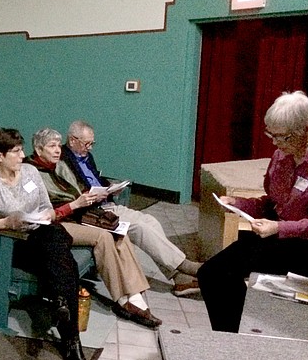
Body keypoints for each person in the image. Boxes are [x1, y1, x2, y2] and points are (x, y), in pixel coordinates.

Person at [0, 128, 89, 360]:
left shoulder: (30, 172)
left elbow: (48, 207)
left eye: (21, 150)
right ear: (0, 156)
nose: (23, 155)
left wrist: (46, 215)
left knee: (56, 237)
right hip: (15, 243)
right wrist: (5, 223)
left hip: (42, 234)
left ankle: (64, 313)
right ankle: (69, 336)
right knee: (65, 260)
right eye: (17, 151)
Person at [198, 91, 308, 333]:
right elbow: (271, 203)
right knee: (212, 274)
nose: (276, 144)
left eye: (283, 137)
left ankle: (234, 334)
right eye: (271, 135)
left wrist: (280, 228)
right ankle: (232, 335)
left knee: (223, 273)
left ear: (307, 130)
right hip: (280, 235)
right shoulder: (281, 156)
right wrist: (239, 203)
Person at [26, 128, 161, 328]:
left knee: (119, 233)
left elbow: (77, 190)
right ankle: (122, 300)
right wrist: (75, 204)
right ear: (38, 149)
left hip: (77, 214)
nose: (57, 150)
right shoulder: (31, 172)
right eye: (51, 146)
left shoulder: (60, 165)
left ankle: (134, 295)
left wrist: (92, 197)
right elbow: (42, 211)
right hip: (55, 225)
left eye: (58, 145)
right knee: (103, 236)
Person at [61, 120, 202, 296]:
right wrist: (93, 195)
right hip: (93, 212)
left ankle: (179, 278)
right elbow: (70, 193)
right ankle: (184, 265)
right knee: (140, 228)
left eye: (92, 143)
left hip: (107, 203)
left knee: (151, 221)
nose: (89, 148)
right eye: (86, 143)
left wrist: (111, 187)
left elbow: (96, 179)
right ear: (72, 140)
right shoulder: (63, 160)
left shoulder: (86, 156)